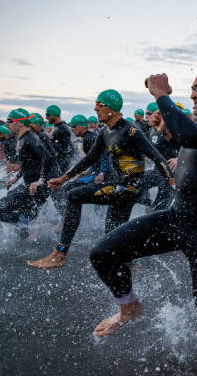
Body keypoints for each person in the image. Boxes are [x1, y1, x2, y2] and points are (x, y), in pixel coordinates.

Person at [88, 67, 197, 339]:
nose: (193, 94)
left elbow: (192, 136)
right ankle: (129, 307)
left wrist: (161, 93)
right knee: (103, 252)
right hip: (175, 219)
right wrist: (169, 134)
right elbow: (194, 144)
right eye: (192, 88)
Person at [26, 89, 172, 269]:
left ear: (112, 107)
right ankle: (127, 268)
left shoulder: (131, 130)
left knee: (74, 196)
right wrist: (63, 179)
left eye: (99, 104)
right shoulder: (105, 132)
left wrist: (173, 184)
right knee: (112, 237)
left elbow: (158, 158)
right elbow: (90, 159)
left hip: (128, 188)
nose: (95, 108)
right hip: (120, 188)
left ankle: (60, 253)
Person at [0, 109, 55, 238]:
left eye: (9, 121)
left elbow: (48, 157)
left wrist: (41, 179)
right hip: (29, 186)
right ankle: (27, 226)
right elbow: (29, 163)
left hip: (37, 188)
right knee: (12, 196)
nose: (7, 124)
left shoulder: (30, 138)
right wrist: (16, 178)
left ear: (21, 123)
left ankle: (28, 224)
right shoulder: (23, 139)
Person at [45, 105, 74, 173]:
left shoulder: (61, 128)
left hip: (62, 163)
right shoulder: (57, 127)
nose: (46, 117)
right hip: (60, 162)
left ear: (54, 115)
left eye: (47, 115)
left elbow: (65, 149)